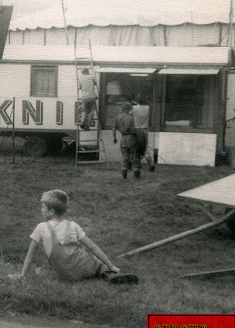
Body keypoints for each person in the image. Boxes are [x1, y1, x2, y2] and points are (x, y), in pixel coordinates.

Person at [9, 190, 137, 284]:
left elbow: (30, 254)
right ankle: (108, 273)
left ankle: (104, 273)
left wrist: (23, 275)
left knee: (52, 262)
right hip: (84, 268)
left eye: (43, 207)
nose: (41, 210)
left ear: (51, 211)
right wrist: (111, 265)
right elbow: (92, 247)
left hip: (66, 274)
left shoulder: (41, 227)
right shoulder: (73, 225)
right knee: (96, 262)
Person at [113, 102, 140, 178]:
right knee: (135, 155)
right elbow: (133, 130)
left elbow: (114, 128)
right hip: (131, 138)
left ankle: (124, 172)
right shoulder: (130, 118)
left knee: (125, 156)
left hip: (123, 138)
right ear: (129, 109)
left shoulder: (118, 117)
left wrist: (114, 138)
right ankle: (136, 172)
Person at [132, 96, 155, 172]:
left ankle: (137, 165)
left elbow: (131, 113)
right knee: (145, 148)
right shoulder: (147, 107)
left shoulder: (134, 108)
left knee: (136, 148)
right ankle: (151, 163)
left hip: (137, 130)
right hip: (145, 130)